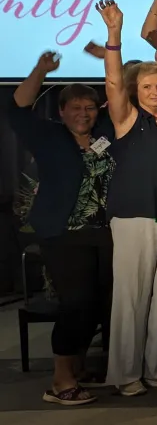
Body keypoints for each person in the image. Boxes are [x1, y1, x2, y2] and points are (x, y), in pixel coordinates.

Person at [11, 52, 114, 405]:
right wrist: (40, 70)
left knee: (99, 304)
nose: (83, 114)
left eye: (90, 107)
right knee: (76, 304)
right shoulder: (49, 136)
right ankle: (59, 381)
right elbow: (17, 109)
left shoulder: (106, 133)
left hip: (102, 233)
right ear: (62, 111)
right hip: (62, 232)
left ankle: (79, 366)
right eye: (76, 108)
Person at [99, 0, 157, 397]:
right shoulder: (128, 119)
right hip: (136, 214)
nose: (154, 91)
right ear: (137, 90)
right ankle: (125, 373)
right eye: (147, 86)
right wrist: (115, 35)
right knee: (131, 296)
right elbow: (115, 84)